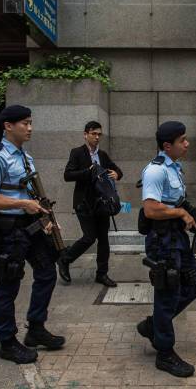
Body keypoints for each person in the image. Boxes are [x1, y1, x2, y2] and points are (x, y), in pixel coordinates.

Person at [0, 105, 65, 364]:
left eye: (30, 123)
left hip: (30, 226)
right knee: (9, 283)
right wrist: (21, 205)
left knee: (48, 272)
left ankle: (36, 328)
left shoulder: (25, 157)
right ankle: (7, 343)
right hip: (8, 230)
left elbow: (31, 193)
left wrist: (45, 219)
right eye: (24, 123)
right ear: (8, 126)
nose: (30, 128)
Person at [136, 121, 196, 378]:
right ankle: (165, 354)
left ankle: (154, 325)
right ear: (168, 146)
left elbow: (177, 201)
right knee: (167, 295)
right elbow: (151, 209)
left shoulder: (174, 168)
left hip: (176, 238)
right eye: (182, 140)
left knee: (193, 284)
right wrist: (179, 212)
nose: (187, 143)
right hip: (163, 242)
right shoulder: (155, 171)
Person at [57, 121, 123, 286]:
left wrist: (117, 174)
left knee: (103, 240)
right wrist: (89, 172)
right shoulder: (77, 153)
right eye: (93, 133)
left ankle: (102, 274)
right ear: (85, 134)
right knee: (89, 237)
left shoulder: (103, 155)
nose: (97, 137)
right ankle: (65, 259)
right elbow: (68, 175)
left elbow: (117, 170)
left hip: (102, 204)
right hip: (84, 203)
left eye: (99, 134)